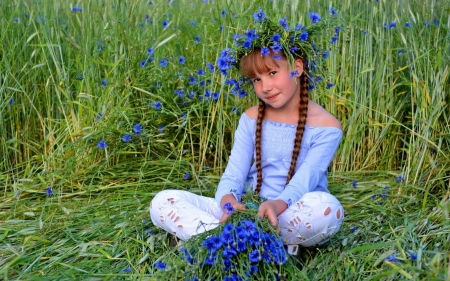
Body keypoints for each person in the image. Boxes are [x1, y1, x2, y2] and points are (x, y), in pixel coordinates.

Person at [150, 13, 344, 252]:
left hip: (290, 211)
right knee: (162, 202)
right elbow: (233, 176)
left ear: (297, 68)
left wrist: (276, 205)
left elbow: (305, 181)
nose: (265, 87)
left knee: (328, 210)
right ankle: (248, 238)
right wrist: (230, 205)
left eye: (273, 73)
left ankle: (217, 238)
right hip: (246, 209)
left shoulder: (327, 127)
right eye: (256, 79)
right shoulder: (251, 118)